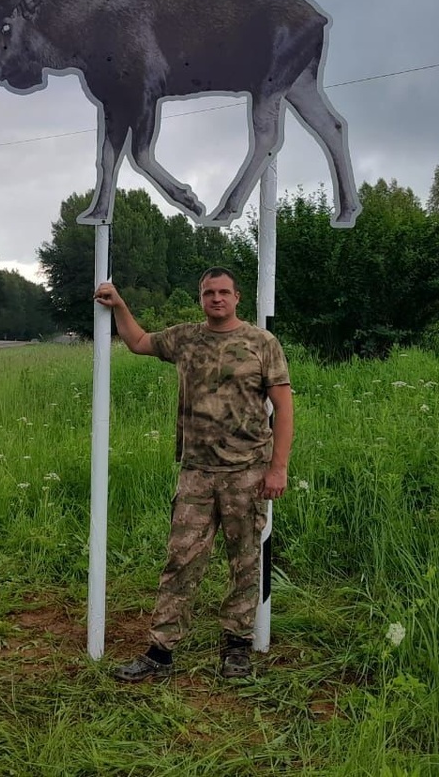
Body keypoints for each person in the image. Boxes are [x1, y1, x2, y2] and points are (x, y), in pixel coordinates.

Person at [93, 267, 293, 681]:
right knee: (180, 560)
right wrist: (120, 306)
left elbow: (285, 408)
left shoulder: (262, 343)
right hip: (196, 473)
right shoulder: (186, 338)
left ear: (238, 297)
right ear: (200, 298)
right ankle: (160, 653)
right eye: (208, 293)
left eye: (223, 292)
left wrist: (278, 468)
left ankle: (236, 648)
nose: (216, 299)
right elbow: (138, 342)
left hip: (247, 473)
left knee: (244, 561)